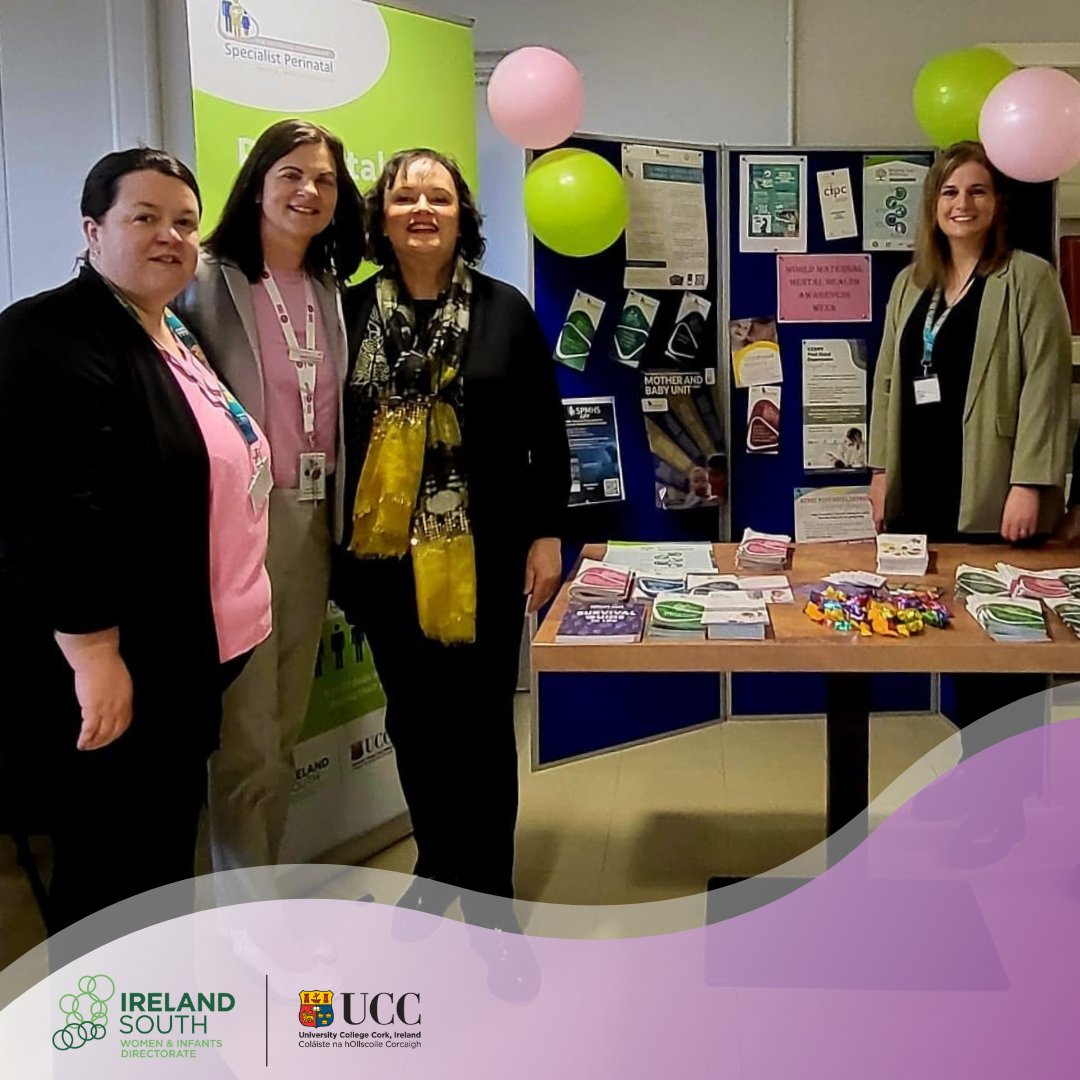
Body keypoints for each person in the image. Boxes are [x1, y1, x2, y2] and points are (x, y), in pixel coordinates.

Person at [0, 148, 272, 934]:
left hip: (188, 656)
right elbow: (47, 514)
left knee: (156, 858)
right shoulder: (48, 336)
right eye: (144, 218)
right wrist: (94, 656)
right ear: (93, 229)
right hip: (120, 666)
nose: (170, 237)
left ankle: (157, 1024)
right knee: (114, 869)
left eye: (184, 222)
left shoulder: (167, 329)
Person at [335, 148, 570, 919]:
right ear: (382, 216)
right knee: (415, 723)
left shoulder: (506, 310)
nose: (423, 209)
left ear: (464, 215)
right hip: (385, 565)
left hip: (491, 552)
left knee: (479, 729)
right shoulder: (350, 313)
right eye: (405, 198)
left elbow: (546, 427)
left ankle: (491, 895)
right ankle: (438, 869)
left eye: (438, 196)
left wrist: (546, 535)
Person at [867, 140, 1072, 862]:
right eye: (951, 193)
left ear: (998, 204)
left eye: (978, 192)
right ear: (934, 206)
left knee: (1002, 647)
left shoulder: (1027, 279)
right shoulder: (910, 287)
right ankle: (982, 791)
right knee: (956, 644)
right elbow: (890, 384)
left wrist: (1032, 480)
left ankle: (1006, 806)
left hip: (991, 487)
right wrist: (882, 468)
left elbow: (1050, 385)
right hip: (922, 488)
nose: (964, 205)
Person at [173, 119, 364, 879]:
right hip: (234, 534)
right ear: (257, 180)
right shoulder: (202, 275)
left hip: (312, 524)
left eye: (323, 179)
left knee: (281, 727)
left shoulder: (328, 289)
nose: (308, 191)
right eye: (291, 174)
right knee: (246, 736)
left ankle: (256, 890)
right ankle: (241, 923)